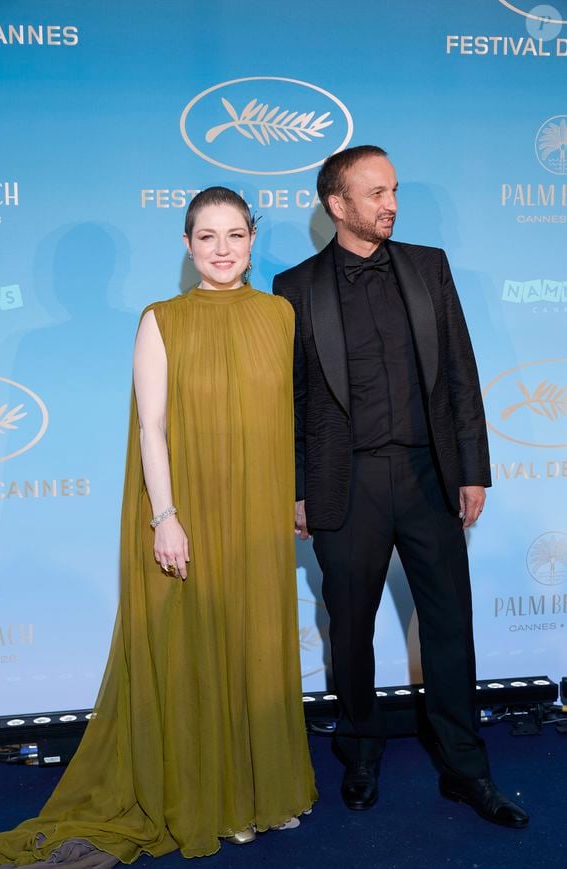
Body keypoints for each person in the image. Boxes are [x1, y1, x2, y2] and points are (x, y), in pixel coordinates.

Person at [0, 187, 317, 866]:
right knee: (195, 649)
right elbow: (153, 427)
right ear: (187, 244)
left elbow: (291, 418)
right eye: (206, 236)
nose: (222, 249)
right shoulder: (161, 319)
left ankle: (264, 792)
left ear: (252, 239)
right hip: (188, 509)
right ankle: (212, 800)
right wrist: (165, 517)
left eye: (234, 234)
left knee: (256, 648)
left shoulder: (280, 314)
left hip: (258, 510)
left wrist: (295, 496)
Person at [272, 146, 528, 829]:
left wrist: (472, 467)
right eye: (375, 191)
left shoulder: (427, 267)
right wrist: (297, 486)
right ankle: (360, 751)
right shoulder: (293, 286)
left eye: (393, 190)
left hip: (426, 475)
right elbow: (290, 402)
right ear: (337, 205)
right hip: (344, 483)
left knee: (448, 626)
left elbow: (461, 375)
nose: (390, 202)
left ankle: (466, 769)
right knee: (349, 631)